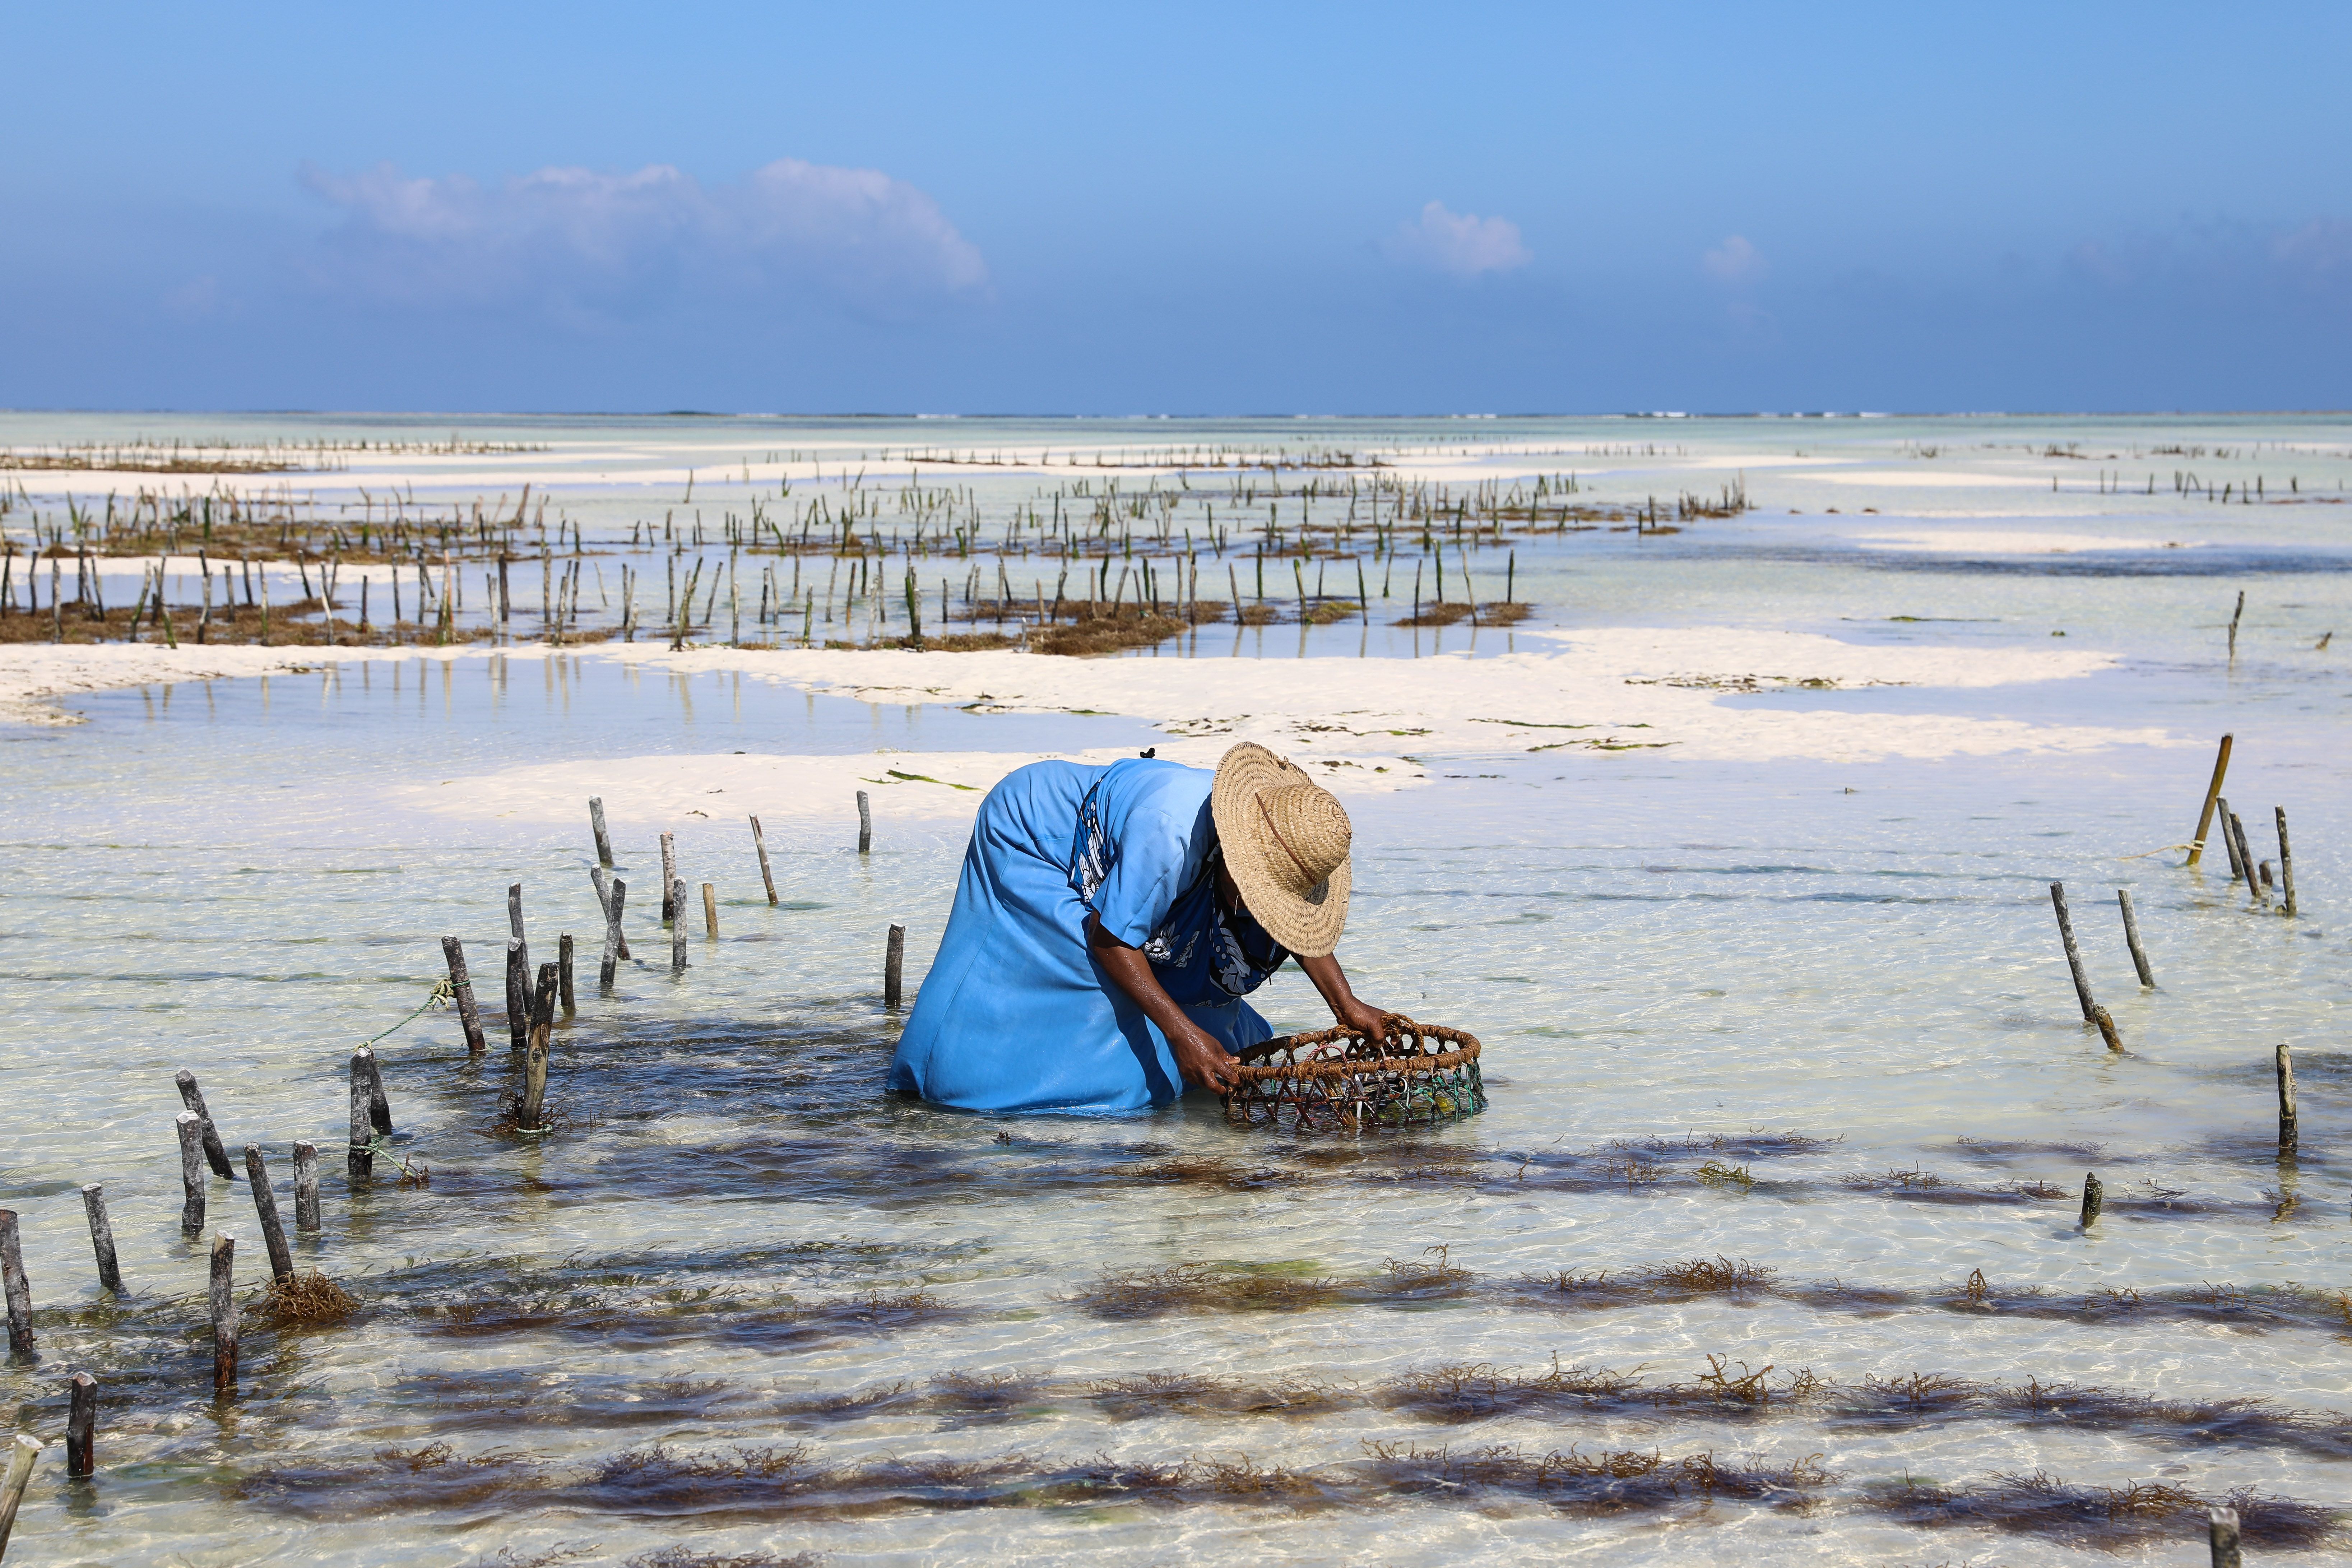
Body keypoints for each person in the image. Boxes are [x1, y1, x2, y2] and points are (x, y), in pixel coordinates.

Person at [889, 741, 1389, 1113]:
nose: (1269, 906)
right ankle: (968, 1078)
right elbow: (1111, 941)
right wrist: (1180, 1035)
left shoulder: (1274, 846)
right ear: (1237, 865)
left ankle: (1192, 1058)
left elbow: (1292, 924)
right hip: (1036, 838)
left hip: (1127, 852)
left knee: (1204, 965)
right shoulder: (1169, 837)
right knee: (1087, 973)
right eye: (1264, 892)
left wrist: (1346, 1004)